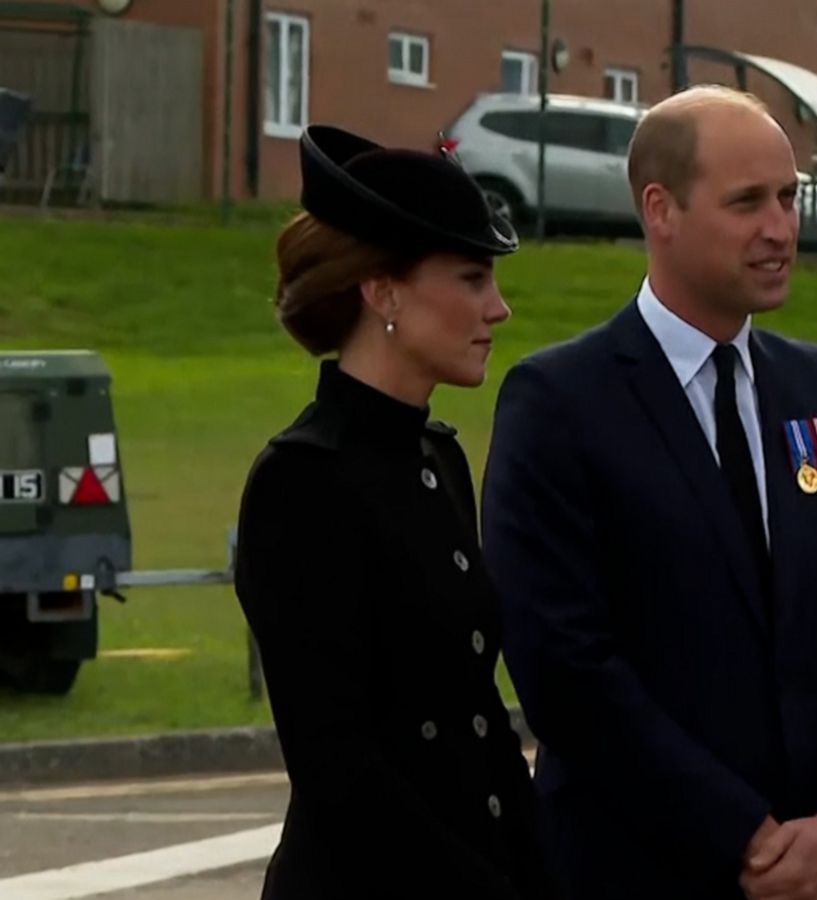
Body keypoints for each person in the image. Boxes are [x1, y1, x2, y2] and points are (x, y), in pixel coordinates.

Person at [481, 85, 817, 900]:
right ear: (661, 209)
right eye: (747, 202)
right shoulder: (562, 403)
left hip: (809, 874)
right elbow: (563, 665)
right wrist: (741, 833)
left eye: (789, 198)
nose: (780, 228)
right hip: (629, 872)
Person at [232, 124, 553, 899]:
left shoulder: (437, 458)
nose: (498, 308)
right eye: (472, 278)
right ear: (382, 292)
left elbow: (475, 713)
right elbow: (337, 765)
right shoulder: (301, 482)